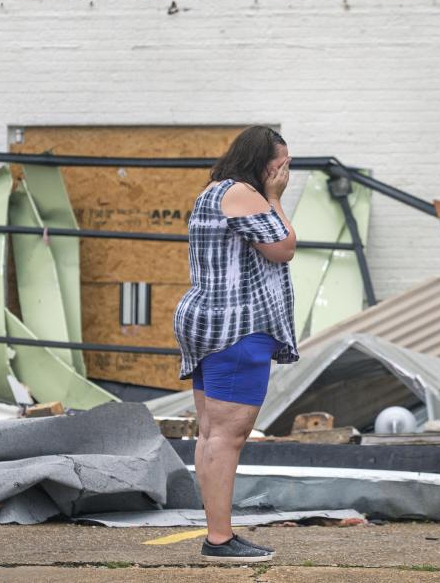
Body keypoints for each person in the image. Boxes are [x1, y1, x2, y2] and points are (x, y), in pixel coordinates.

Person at [172, 125, 298, 563]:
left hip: (209, 322)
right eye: (278, 163)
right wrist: (276, 197)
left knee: (210, 434)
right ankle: (220, 540)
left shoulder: (214, 190)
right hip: (238, 328)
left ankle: (217, 533)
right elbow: (283, 248)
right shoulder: (246, 193)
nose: (283, 171)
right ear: (259, 161)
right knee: (227, 436)